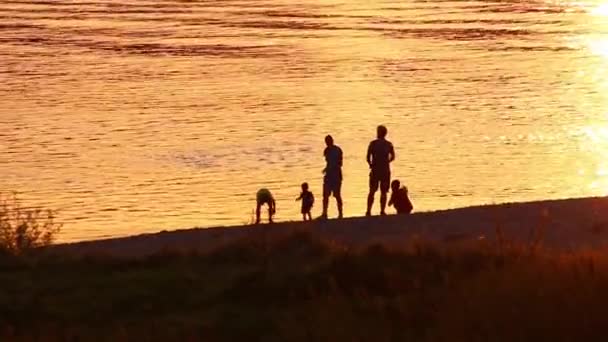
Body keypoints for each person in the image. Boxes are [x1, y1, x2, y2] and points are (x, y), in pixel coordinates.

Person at [366, 125, 395, 216]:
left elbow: (368, 157)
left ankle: (369, 211)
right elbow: (393, 156)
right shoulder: (388, 144)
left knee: (372, 191)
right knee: (383, 191)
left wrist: (371, 164)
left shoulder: (373, 143)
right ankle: (382, 211)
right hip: (384, 170)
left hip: (376, 169)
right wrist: (387, 162)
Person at [321, 135, 344, 219]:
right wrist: (326, 169)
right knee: (326, 195)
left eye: (328, 141)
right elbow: (329, 163)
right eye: (326, 141)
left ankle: (340, 213)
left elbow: (339, 163)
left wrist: (330, 168)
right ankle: (325, 213)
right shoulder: (327, 150)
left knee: (337, 195)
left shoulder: (337, 150)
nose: (327, 143)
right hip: (330, 175)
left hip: (336, 175)